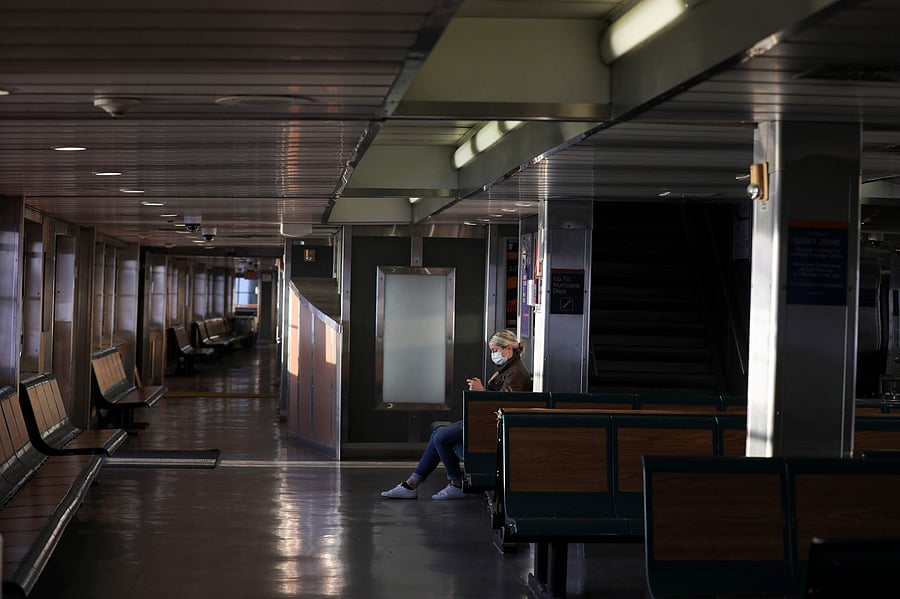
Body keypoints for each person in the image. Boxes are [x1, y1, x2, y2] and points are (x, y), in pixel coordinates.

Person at [380, 329, 531, 500]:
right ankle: (412, 483)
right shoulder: (508, 368)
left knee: (440, 437)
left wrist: (481, 391)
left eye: (495, 350)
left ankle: (454, 484)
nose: (493, 354)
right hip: (485, 422)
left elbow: (505, 405)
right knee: (439, 434)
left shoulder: (516, 372)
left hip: (491, 426)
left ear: (509, 349)